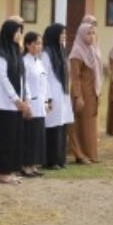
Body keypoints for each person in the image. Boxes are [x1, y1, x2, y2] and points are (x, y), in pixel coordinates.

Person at [0, 19, 30, 184]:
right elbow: (4, 80)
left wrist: (26, 98)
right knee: (4, 138)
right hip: (5, 104)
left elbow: (22, 77)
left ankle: (10, 169)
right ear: (8, 33)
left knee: (14, 138)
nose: (19, 35)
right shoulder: (0, 55)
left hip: (17, 103)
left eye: (21, 31)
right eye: (17, 31)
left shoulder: (16, 52)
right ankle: (2, 171)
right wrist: (16, 100)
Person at [68, 22, 103, 164]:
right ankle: (80, 154)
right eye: (88, 33)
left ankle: (91, 154)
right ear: (81, 35)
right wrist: (78, 96)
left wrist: (98, 92)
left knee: (90, 124)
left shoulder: (93, 51)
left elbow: (98, 74)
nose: (91, 36)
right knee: (81, 124)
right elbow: (75, 77)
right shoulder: (77, 53)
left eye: (93, 33)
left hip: (92, 92)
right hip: (82, 92)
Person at [41, 23, 71, 169]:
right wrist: (48, 97)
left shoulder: (61, 50)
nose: (64, 36)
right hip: (52, 93)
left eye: (65, 33)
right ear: (54, 35)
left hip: (63, 93)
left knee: (62, 126)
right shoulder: (46, 53)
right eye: (61, 33)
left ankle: (60, 159)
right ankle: (50, 160)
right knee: (52, 127)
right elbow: (44, 76)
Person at [22, 32, 49, 177]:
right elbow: (24, 83)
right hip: (30, 103)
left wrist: (46, 101)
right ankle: (25, 165)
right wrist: (27, 102)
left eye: (40, 43)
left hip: (40, 103)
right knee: (29, 135)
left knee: (38, 135)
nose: (39, 46)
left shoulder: (39, 62)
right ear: (28, 45)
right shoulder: (24, 62)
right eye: (36, 43)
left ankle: (34, 165)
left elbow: (44, 83)